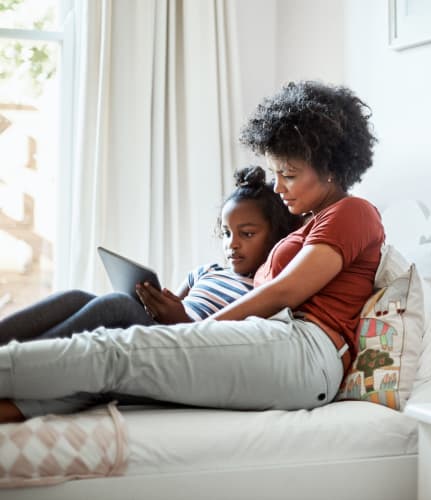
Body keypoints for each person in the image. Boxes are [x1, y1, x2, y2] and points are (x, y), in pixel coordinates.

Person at [0, 80, 385, 423]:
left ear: (330, 167)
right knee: (110, 376)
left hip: (306, 352)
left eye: (289, 174)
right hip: (276, 342)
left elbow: (285, 292)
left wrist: (198, 331)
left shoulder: (353, 212)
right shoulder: (307, 225)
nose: (280, 187)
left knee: (114, 351)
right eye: (277, 174)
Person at [0, 166, 301, 344]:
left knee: (117, 305)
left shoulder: (262, 291)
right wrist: (155, 302)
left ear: (276, 235)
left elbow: (224, 338)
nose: (232, 244)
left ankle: (21, 360)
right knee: (78, 296)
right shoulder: (207, 272)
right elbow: (174, 304)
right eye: (226, 233)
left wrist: (179, 319)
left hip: (178, 344)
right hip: (154, 327)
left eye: (246, 234)